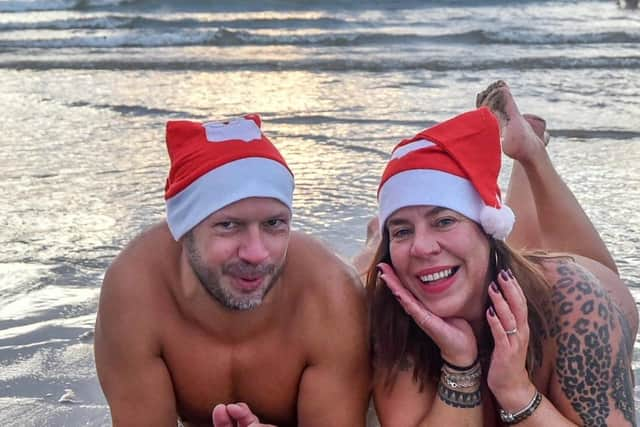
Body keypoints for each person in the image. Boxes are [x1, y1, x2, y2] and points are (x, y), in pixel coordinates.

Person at [363, 81, 638, 426]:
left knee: (538, 254)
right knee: (495, 256)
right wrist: (459, 363)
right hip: (496, 267)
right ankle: (379, 236)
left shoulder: (576, 303)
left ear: (488, 232)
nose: (421, 246)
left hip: (588, 281)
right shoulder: (391, 311)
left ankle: (531, 154)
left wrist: (517, 391)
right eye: (401, 230)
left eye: (444, 221)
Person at [94, 114, 370, 427]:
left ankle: (372, 249)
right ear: (184, 231)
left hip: (330, 280)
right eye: (228, 225)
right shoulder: (135, 291)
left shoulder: (330, 295)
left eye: (274, 223)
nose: (255, 253)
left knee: (365, 281)